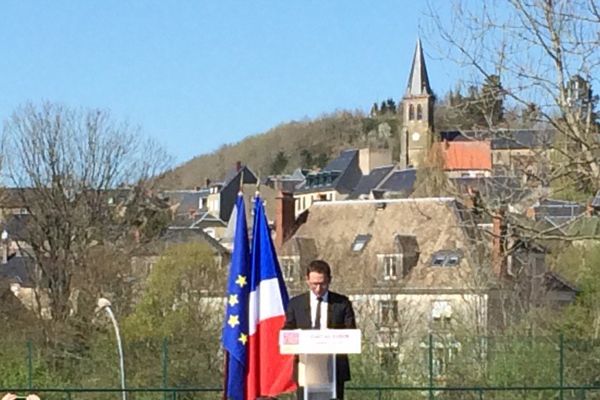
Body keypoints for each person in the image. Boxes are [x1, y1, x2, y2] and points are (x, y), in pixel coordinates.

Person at [282, 259, 356, 400]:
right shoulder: (296, 304)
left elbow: (351, 333)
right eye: (314, 284)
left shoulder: (342, 303)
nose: (318, 288)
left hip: (334, 368)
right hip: (306, 368)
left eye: (322, 284)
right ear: (307, 280)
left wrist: (331, 337)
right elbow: (287, 332)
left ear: (329, 280)